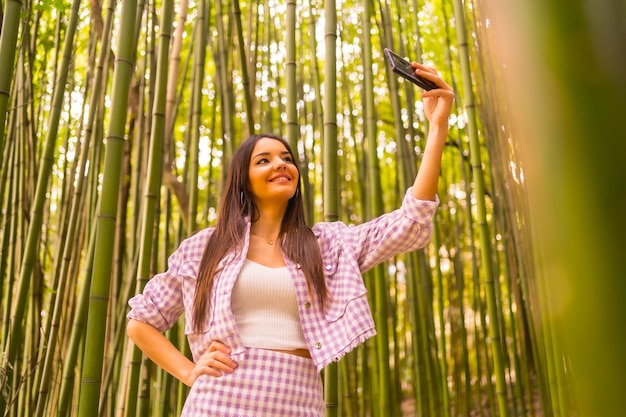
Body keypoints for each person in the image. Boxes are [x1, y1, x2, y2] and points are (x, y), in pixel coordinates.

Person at [126, 62, 455, 416]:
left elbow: (411, 221)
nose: (280, 164)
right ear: (243, 181)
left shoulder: (328, 246)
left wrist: (437, 127)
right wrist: (190, 372)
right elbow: (141, 321)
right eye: (263, 160)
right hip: (220, 399)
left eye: (286, 158)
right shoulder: (205, 248)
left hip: (299, 398)